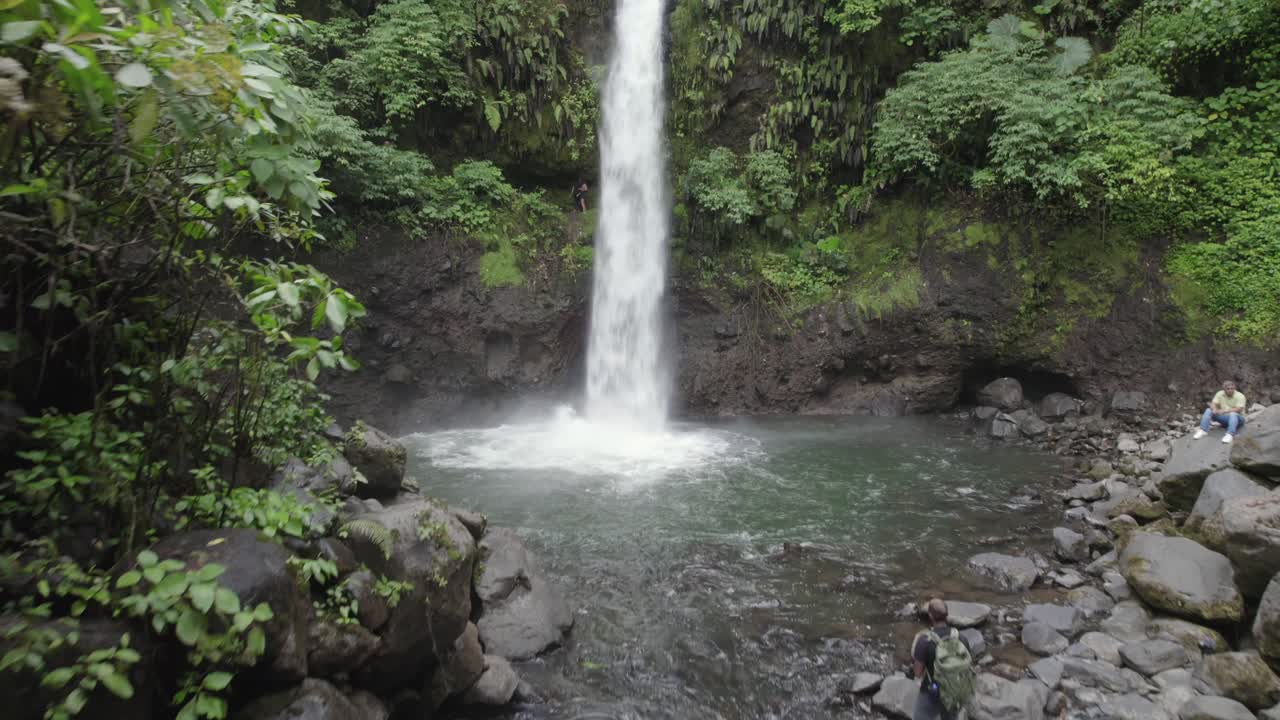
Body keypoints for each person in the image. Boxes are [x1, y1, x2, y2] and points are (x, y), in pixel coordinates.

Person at [910, 598, 975, 720]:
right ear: (947, 615)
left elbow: (918, 673)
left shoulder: (924, 640)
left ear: (930, 616)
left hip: (932, 691)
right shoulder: (961, 638)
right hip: (955, 690)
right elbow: (968, 664)